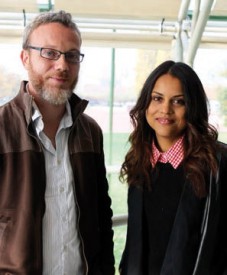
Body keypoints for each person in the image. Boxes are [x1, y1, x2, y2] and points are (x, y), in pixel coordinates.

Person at [0, 10, 115, 275]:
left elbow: (101, 217)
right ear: (25, 57)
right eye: (49, 53)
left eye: (72, 55)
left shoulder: (90, 132)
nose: (62, 65)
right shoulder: (2, 129)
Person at [119, 60, 227, 275]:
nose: (165, 109)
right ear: (146, 103)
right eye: (157, 98)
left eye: (178, 101)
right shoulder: (139, 159)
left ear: (192, 107)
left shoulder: (218, 163)